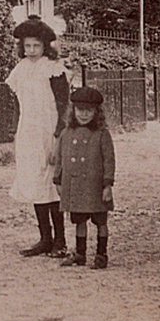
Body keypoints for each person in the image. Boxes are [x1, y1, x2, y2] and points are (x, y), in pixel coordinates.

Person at [5, 15, 70, 257]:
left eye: (36, 46)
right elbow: (17, 105)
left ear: (45, 46)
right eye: (27, 46)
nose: (32, 51)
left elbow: (64, 105)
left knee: (51, 184)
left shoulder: (53, 69)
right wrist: (14, 131)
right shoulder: (20, 69)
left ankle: (60, 241)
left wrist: (58, 136)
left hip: (49, 130)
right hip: (28, 132)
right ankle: (45, 238)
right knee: (33, 181)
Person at [55, 86, 115, 270]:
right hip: (75, 185)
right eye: (80, 110)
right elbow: (60, 158)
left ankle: (101, 254)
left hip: (95, 186)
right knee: (79, 220)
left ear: (97, 112)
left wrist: (107, 185)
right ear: (73, 111)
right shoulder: (66, 134)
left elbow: (109, 160)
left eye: (89, 111)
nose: (84, 114)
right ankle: (80, 254)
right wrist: (58, 179)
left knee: (100, 221)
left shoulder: (102, 134)